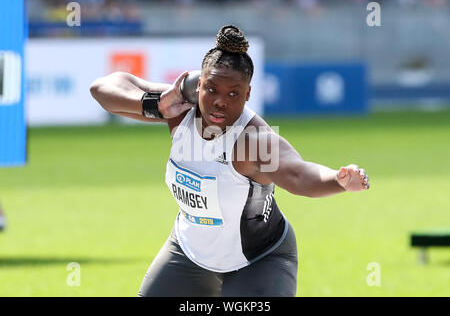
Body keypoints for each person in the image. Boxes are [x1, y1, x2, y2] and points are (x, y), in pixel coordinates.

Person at [90, 25, 370, 297]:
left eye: (233, 93)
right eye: (211, 89)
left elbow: (298, 175)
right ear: (198, 86)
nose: (220, 101)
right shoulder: (179, 111)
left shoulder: (254, 140)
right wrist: (157, 102)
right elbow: (102, 89)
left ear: (248, 94)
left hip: (258, 261)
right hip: (189, 254)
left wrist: (338, 179)